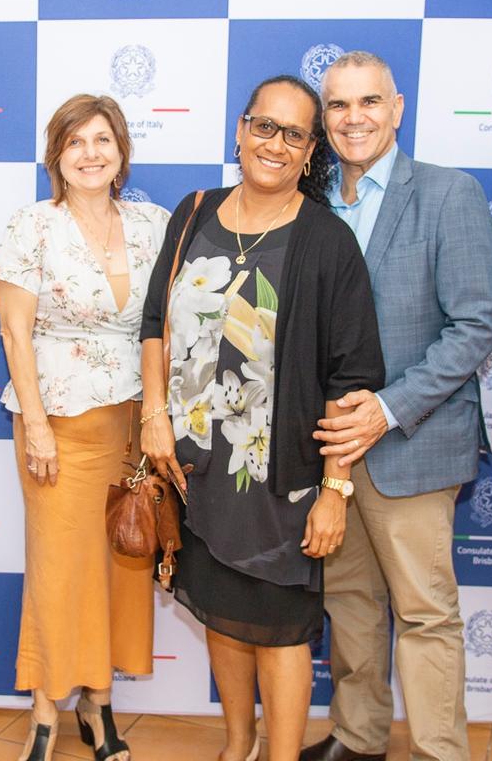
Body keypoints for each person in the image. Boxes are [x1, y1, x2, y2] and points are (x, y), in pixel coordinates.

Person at [140, 75, 384, 761]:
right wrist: (152, 418)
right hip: (195, 469)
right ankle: (236, 746)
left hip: (278, 480)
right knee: (222, 615)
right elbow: (154, 322)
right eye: (263, 127)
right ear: (241, 130)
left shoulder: (326, 243)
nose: (274, 144)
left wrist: (334, 490)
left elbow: (349, 377)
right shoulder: (194, 213)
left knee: (277, 630)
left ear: (310, 152)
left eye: (294, 134)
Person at [303, 52, 492, 761]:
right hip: (331, 449)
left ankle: (438, 753)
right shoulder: (315, 200)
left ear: (397, 107)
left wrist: (386, 409)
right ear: (323, 117)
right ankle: (357, 740)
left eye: (367, 103)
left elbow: (476, 322)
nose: (352, 118)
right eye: (337, 105)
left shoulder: (448, 194)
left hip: (409, 444)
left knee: (424, 617)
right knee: (349, 608)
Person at [0, 94, 170, 761]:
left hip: (132, 425)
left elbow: (165, 329)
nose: (91, 152)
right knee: (60, 566)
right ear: (56, 157)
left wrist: (158, 418)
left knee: (123, 563)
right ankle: (44, 711)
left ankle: (97, 704)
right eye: (76, 142)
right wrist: (35, 426)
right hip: (58, 425)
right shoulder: (31, 227)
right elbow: (13, 332)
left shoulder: (152, 225)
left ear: (121, 151)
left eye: (103, 139)